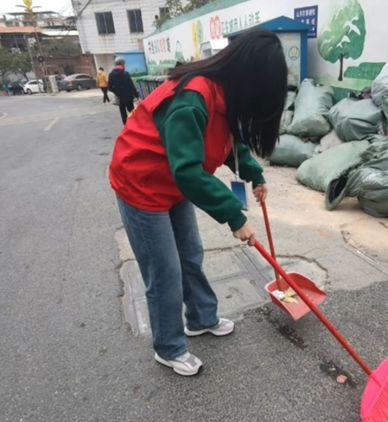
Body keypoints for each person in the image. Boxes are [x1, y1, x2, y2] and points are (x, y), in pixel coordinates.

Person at [109, 28, 287, 376]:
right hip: (142, 183)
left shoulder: (224, 96)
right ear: (249, 78)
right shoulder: (193, 98)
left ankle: (201, 318)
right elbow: (189, 171)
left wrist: (254, 174)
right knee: (164, 272)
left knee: (190, 253)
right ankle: (169, 346)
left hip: (173, 182)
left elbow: (227, 144)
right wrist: (234, 215)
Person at [108, 58, 140, 125]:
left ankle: (126, 127)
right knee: (132, 112)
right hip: (129, 97)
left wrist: (116, 92)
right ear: (122, 64)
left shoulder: (111, 74)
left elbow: (109, 87)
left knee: (123, 114)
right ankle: (135, 125)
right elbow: (132, 85)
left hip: (120, 98)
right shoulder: (126, 74)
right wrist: (136, 95)